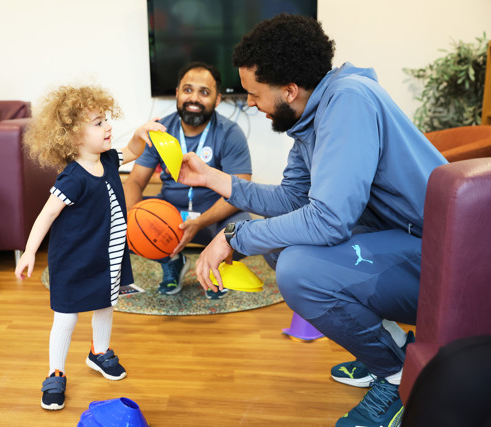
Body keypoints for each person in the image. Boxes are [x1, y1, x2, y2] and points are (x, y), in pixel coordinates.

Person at [177, 14, 447, 427]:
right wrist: (213, 178)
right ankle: (391, 352)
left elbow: (329, 221)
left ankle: (397, 379)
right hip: (405, 241)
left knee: (300, 269)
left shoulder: (348, 102)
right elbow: (292, 200)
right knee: (283, 247)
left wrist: (234, 237)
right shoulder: (313, 114)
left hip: (446, 261)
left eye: (254, 93)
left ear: (289, 90)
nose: (249, 103)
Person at [15, 85, 164, 411]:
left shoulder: (108, 159)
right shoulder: (72, 178)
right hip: (74, 261)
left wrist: (141, 132)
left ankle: (99, 352)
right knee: (66, 319)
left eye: (106, 119)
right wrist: (28, 251)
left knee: (105, 306)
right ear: (72, 137)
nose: (108, 126)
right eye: (98, 123)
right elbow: (47, 214)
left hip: (108, 257)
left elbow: (133, 151)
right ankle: (55, 372)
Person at [124, 61, 252, 299]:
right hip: (171, 214)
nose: (194, 98)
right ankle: (172, 261)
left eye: (204, 92)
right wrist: (134, 219)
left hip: (213, 215)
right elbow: (133, 183)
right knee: (136, 221)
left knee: (242, 228)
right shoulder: (159, 131)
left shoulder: (230, 132)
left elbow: (240, 192)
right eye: (188, 90)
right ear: (177, 94)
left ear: (217, 100)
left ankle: (216, 269)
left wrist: (200, 222)